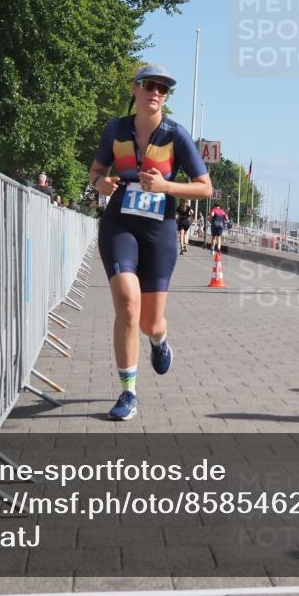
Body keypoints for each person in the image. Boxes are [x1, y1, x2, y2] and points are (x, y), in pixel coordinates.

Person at [88, 64, 212, 420]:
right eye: (149, 85)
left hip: (159, 230)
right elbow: (96, 171)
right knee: (128, 304)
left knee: (149, 322)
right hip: (119, 225)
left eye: (163, 89)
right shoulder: (115, 130)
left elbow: (205, 187)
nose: (156, 92)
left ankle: (159, 341)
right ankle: (128, 393)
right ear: (135, 89)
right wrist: (101, 184)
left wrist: (166, 187)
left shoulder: (176, 135)